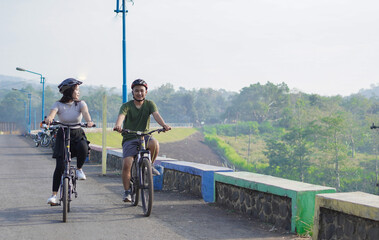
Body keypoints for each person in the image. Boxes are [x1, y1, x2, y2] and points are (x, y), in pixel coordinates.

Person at [113, 79, 171, 202]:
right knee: (127, 164)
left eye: (142, 91)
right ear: (132, 92)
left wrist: (164, 125)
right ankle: (127, 191)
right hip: (130, 137)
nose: (139, 93)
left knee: (154, 143)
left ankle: (149, 165)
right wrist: (118, 126)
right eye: (136, 91)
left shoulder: (150, 104)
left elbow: (156, 115)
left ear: (146, 92)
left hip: (145, 136)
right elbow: (121, 117)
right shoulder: (126, 106)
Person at [45, 78, 94, 205]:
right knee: (60, 166)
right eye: (76, 90)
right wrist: (49, 119)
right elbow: (52, 114)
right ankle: (54, 195)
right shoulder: (58, 104)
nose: (78, 92)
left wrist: (89, 121)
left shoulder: (81, 104)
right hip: (62, 134)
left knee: (84, 148)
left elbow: (86, 114)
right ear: (68, 92)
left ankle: (79, 169)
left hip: (77, 133)